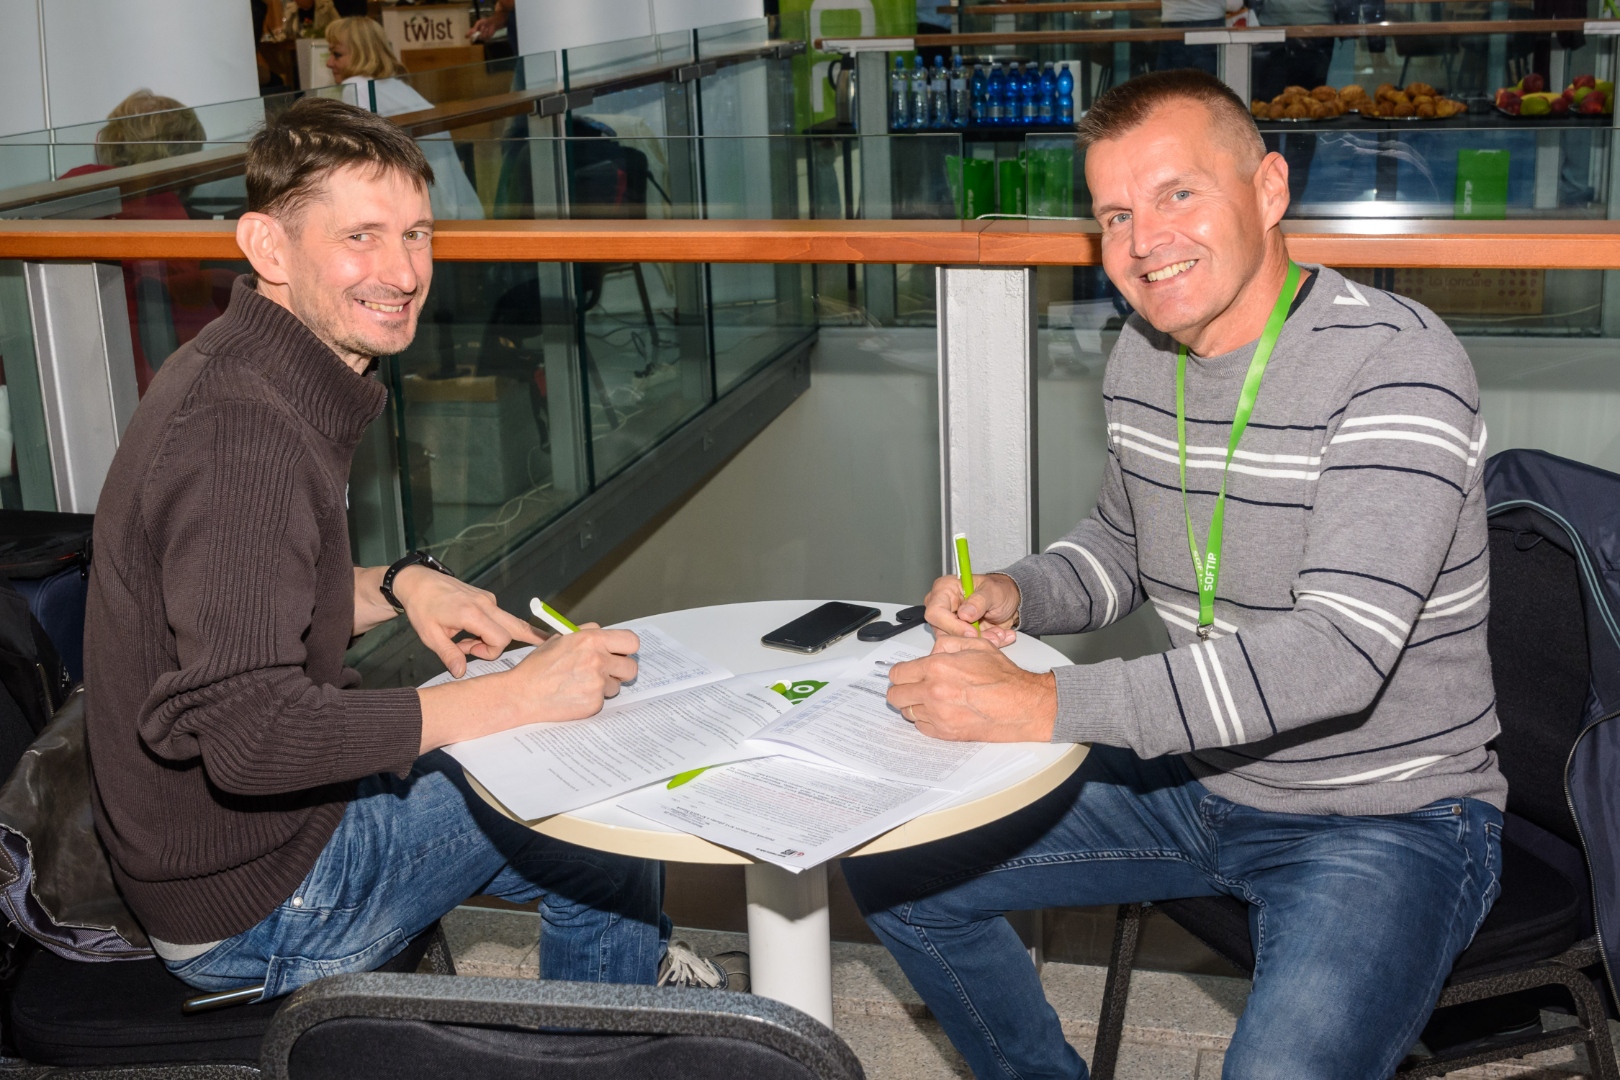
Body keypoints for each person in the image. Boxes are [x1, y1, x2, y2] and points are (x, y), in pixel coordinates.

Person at [846, 69, 1503, 1080]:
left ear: (1270, 190)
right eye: (1115, 214)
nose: (1144, 241)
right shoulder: (1144, 351)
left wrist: (1045, 704)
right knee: (898, 869)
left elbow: (1337, 656)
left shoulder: (1396, 364)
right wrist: (1016, 593)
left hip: (1388, 815)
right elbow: (1123, 547)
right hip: (1198, 775)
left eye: (1177, 194)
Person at [83, 96, 726, 1002]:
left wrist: (398, 583)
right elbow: (252, 738)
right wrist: (512, 698)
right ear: (268, 248)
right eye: (361, 238)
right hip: (260, 900)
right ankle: (604, 1036)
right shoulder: (241, 438)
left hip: (241, 847)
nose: (402, 272)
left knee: (550, 763)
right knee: (593, 798)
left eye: (417, 235)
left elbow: (251, 599)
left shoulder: (248, 371)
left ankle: (623, 973)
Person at [324, 15, 485, 221]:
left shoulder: (356, 86)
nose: (329, 63)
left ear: (362, 55)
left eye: (337, 54)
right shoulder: (395, 85)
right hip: (450, 202)